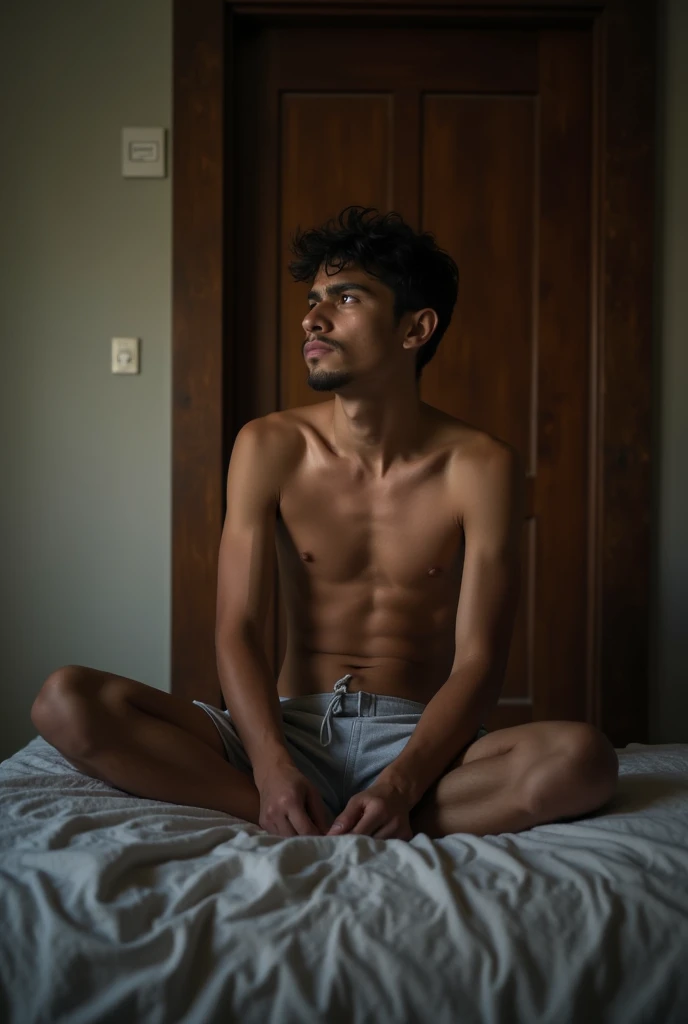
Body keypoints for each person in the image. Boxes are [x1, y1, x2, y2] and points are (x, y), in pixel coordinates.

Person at [31, 206, 618, 841]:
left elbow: (479, 658)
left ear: (415, 328)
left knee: (580, 758)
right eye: (313, 300)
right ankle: (283, 809)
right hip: (287, 726)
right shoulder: (269, 445)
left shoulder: (481, 466)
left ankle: (379, 811)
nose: (313, 318)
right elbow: (239, 628)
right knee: (66, 700)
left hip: (417, 739)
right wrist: (271, 769)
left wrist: (402, 780)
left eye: (345, 297)